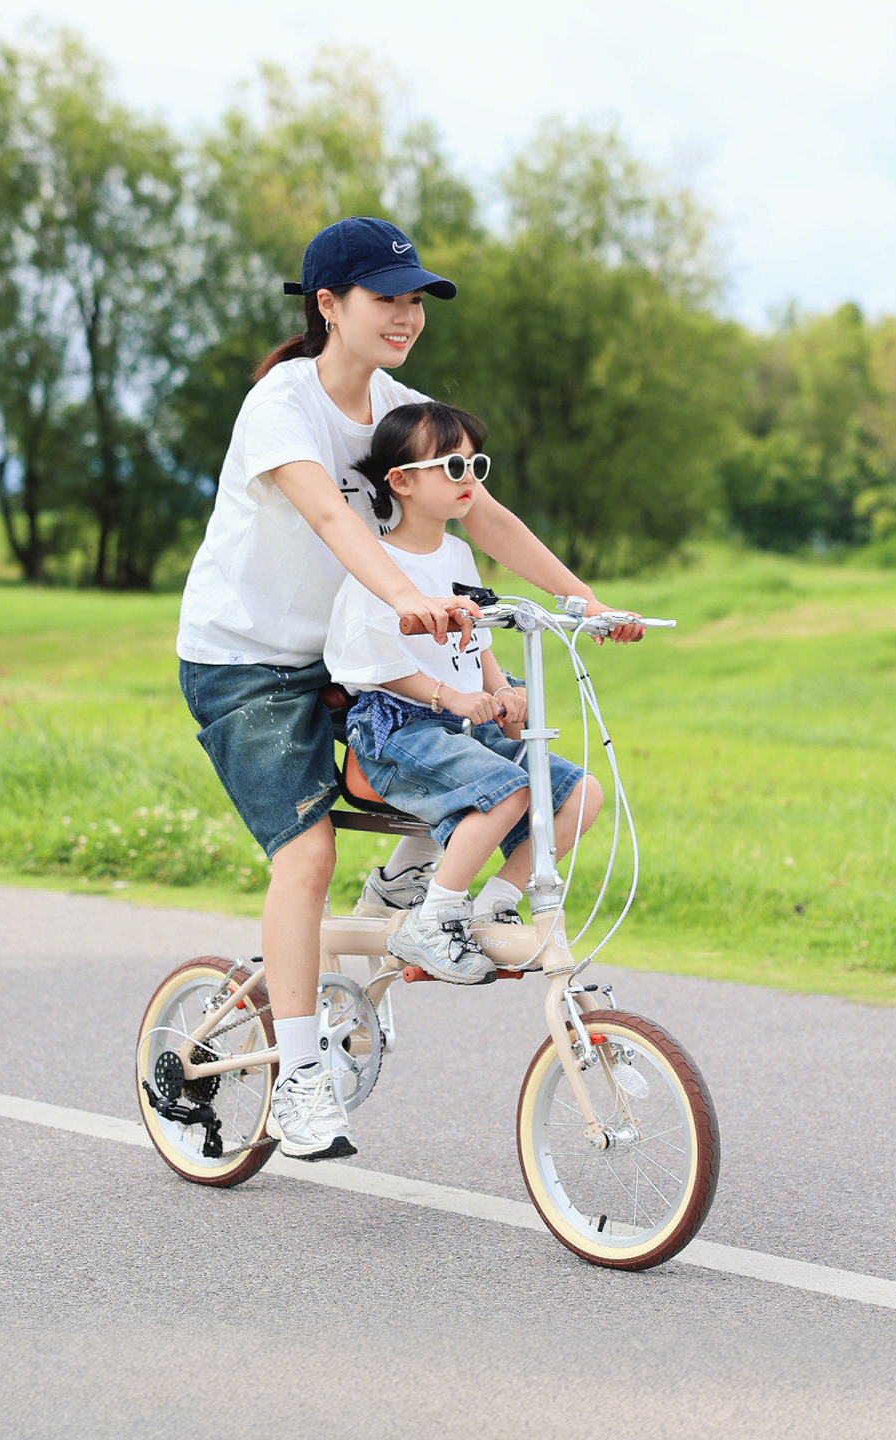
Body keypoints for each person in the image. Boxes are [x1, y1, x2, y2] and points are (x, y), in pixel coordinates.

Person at [176, 216, 639, 1162]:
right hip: (249, 662)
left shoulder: (403, 408)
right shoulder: (283, 408)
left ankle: (405, 894)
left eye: (415, 300)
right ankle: (299, 1077)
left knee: (479, 770)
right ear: (329, 305)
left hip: (363, 661)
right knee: (303, 859)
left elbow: (483, 510)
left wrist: (580, 598)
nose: (406, 316)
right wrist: (404, 598)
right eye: (387, 298)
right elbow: (330, 521)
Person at [325, 403, 604, 985]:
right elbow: (370, 662)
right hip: (396, 731)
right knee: (506, 790)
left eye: (476, 465)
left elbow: (473, 640)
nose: (469, 480)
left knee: (581, 794)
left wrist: (499, 688)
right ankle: (433, 918)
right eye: (452, 468)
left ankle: (494, 900)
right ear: (400, 481)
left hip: (459, 727)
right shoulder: (376, 563)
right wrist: (448, 697)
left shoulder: (455, 553)